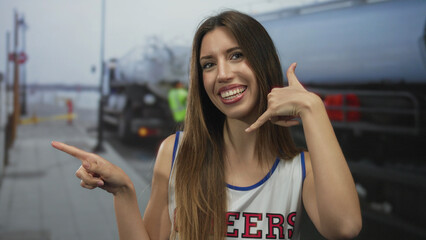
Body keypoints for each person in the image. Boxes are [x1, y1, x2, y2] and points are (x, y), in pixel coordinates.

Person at [51, 10, 362, 240]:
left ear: (264, 62)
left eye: (237, 55)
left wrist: (314, 109)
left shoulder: (300, 168)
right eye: (208, 64)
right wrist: (124, 193)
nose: (222, 74)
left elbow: (345, 227)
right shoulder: (175, 153)